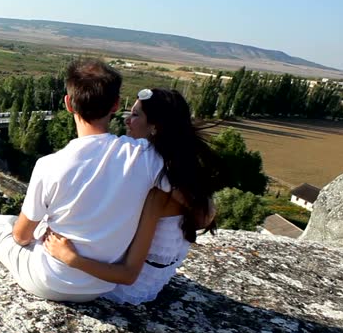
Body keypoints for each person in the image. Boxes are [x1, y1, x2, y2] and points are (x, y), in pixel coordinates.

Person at [0, 59, 171, 302]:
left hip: (47, 279)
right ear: (115, 105)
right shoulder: (147, 158)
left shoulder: (49, 165)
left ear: (68, 104)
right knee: (12, 222)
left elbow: (21, 237)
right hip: (101, 286)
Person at [43, 88, 219, 304]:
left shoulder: (157, 193)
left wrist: (70, 258)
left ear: (155, 127)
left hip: (126, 289)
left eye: (135, 115)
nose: (127, 121)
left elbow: (128, 274)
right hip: (153, 282)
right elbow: (205, 215)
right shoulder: (178, 176)